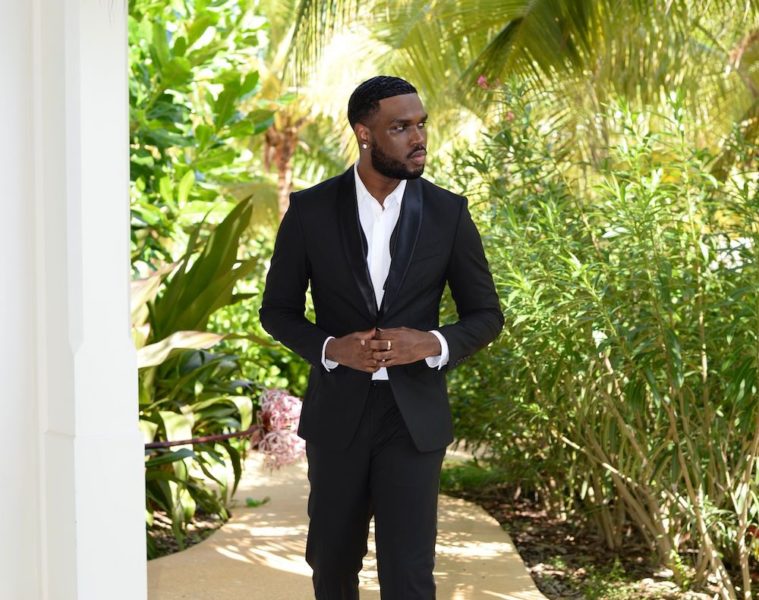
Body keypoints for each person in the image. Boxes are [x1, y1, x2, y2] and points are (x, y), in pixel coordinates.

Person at [259, 75, 503, 600]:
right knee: (332, 564)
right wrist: (332, 349)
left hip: (412, 419)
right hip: (338, 416)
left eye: (421, 125)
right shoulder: (310, 210)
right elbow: (277, 311)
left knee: (409, 573)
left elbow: (486, 314)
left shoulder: (448, 213)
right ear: (364, 134)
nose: (418, 138)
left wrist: (431, 344)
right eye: (400, 127)